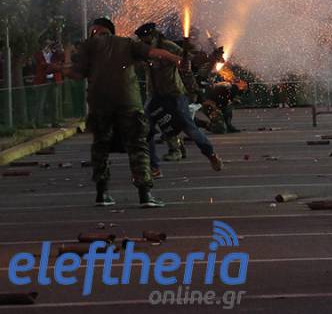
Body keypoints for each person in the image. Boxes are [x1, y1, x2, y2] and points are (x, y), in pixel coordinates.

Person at [66, 17, 181, 208]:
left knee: (100, 147)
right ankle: (145, 194)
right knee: (137, 146)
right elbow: (154, 53)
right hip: (128, 102)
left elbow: (76, 74)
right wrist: (177, 59)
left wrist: (62, 63)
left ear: (95, 30)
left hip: (99, 103)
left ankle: (102, 194)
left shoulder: (88, 46)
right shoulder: (126, 43)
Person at [134, 23, 223, 172]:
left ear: (153, 36)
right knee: (145, 129)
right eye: (141, 40)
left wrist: (208, 58)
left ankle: (211, 155)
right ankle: (152, 167)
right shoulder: (142, 49)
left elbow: (190, 60)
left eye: (146, 39)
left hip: (173, 94)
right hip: (154, 96)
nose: (143, 43)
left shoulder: (168, 46)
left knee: (190, 129)